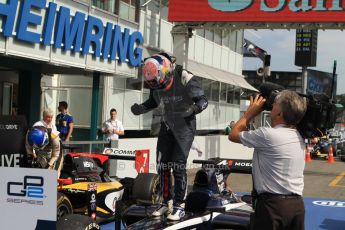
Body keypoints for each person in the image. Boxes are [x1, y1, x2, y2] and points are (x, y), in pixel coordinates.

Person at [131, 53, 208, 221]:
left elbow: (203, 100)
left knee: (178, 165)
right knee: (162, 165)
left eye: (157, 82)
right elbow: (153, 101)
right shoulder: (155, 78)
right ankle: (167, 201)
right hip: (167, 126)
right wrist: (141, 107)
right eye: (152, 84)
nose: (155, 86)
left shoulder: (184, 76)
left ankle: (180, 204)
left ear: (166, 70)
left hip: (185, 127)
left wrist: (193, 110)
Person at [228, 90, 307, 230]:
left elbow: (233, 134)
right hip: (297, 206)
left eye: (274, 104)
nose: (271, 106)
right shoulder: (299, 136)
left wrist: (250, 112)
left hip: (273, 206)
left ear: (279, 114)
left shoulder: (268, 135)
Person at [26, 108, 63, 177]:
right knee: (39, 167)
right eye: (48, 117)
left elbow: (56, 155)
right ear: (43, 116)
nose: (50, 119)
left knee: (53, 171)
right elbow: (28, 145)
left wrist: (49, 165)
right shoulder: (33, 129)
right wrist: (30, 155)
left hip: (53, 147)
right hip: (41, 150)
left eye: (51, 117)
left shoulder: (53, 131)